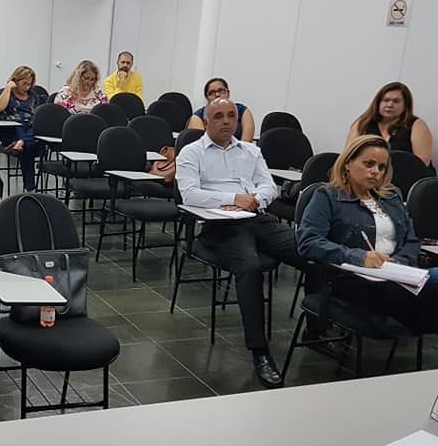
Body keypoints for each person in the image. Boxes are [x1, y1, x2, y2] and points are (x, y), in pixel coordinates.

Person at [177, 97, 305, 388]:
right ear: (206, 122)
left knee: (309, 249)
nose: (226, 121)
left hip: (256, 217)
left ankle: (318, 327)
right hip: (218, 224)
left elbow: (269, 186)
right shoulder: (191, 152)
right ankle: (260, 352)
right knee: (250, 267)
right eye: (218, 116)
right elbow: (190, 194)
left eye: (231, 116)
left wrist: (255, 200)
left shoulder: (251, 151)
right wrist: (233, 199)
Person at [297, 134, 438, 335]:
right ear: (348, 163)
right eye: (369, 164)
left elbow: (412, 240)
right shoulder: (327, 197)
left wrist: (400, 262)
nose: (376, 172)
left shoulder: (392, 196)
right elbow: (308, 242)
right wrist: (360, 257)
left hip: (397, 277)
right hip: (352, 280)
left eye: (381, 167)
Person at [345, 82, 434, 169]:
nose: (390, 105)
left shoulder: (417, 125)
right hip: (370, 174)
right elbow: (348, 155)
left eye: (396, 101)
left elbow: (421, 163)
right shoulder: (363, 123)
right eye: (386, 100)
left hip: (408, 174)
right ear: (378, 102)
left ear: (405, 105)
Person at [0, 66, 42, 192]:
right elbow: (0, 107)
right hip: (10, 130)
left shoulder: (33, 96)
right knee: (28, 146)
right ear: (16, 80)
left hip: (30, 129)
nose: (27, 87)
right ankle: (30, 189)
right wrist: (8, 88)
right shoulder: (5, 92)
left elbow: (37, 115)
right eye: (24, 83)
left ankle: (21, 142)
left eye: (29, 84)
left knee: (31, 136)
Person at [186, 78, 255, 141]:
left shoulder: (242, 111)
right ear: (207, 98)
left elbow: (246, 143)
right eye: (212, 92)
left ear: (228, 93)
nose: (217, 95)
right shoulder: (197, 117)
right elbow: (201, 144)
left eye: (221, 90)